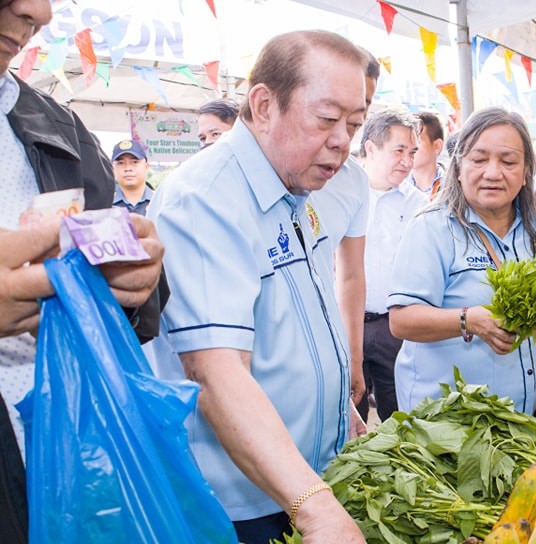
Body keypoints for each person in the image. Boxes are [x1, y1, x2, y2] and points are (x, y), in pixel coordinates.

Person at [148, 30, 367, 543]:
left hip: (300, 479)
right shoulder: (206, 201)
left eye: (354, 125)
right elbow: (213, 372)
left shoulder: (294, 186)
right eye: (328, 119)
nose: (342, 141)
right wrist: (315, 511)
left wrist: (338, 408)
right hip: (242, 503)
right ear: (264, 105)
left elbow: (294, 323)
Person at [1, 1, 165, 541]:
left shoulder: (59, 127)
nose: (39, 12)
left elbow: (138, 310)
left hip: (70, 469)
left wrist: (136, 284)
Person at [387, 108, 536, 415]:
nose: (493, 173)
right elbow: (402, 320)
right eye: (479, 159)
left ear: (526, 172)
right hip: (448, 422)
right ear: (458, 167)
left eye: (508, 162)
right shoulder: (433, 228)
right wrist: (468, 320)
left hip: (521, 418)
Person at [309, 47, 381, 408]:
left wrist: (354, 358)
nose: (342, 134)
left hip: (325, 342)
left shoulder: (353, 181)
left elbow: (351, 275)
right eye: (331, 114)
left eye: (359, 112)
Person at [357, 109, 427, 422]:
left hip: (394, 327)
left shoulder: (418, 204)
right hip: (347, 326)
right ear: (371, 148)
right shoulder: (340, 192)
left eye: (412, 152)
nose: (408, 160)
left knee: (399, 418)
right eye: (399, 150)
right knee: (347, 418)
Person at [111, 138, 152, 216]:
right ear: (113, 169)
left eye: (134, 162)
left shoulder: (160, 202)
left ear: (146, 166)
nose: (128, 168)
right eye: (120, 163)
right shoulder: (105, 206)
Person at [408, 111, 445, 196]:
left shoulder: (455, 188)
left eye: (417, 141)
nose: (410, 148)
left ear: (437, 146)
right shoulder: (395, 187)